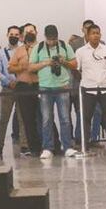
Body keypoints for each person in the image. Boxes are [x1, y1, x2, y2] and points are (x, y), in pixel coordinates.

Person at [29, 24, 79, 159]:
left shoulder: (64, 46)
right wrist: (46, 63)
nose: (52, 42)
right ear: (45, 37)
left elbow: (75, 64)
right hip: (45, 88)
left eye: (54, 39)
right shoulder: (38, 48)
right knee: (46, 119)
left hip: (62, 87)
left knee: (65, 118)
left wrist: (64, 62)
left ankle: (67, 146)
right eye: (50, 39)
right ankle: (47, 148)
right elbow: (31, 67)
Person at [75, 24, 106, 151]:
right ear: (88, 35)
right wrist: (89, 79)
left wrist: (103, 79)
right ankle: (85, 145)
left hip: (105, 88)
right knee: (86, 118)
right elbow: (77, 71)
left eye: (98, 33)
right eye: (93, 33)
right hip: (88, 88)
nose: (96, 35)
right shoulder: (80, 51)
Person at [9, 23, 42, 155]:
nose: (30, 33)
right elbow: (10, 68)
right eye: (27, 31)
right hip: (23, 86)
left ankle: (51, 146)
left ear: (36, 32)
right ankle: (34, 148)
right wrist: (22, 67)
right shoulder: (19, 50)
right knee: (28, 119)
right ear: (23, 35)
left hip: (39, 85)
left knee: (44, 117)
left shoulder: (42, 48)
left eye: (32, 31)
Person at [0, 25, 23, 156]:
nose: (14, 37)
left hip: (22, 88)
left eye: (16, 35)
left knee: (23, 119)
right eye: (12, 34)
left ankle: (25, 147)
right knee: (4, 119)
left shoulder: (24, 51)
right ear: (7, 35)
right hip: (7, 89)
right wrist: (8, 82)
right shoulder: (0, 53)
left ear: (20, 36)